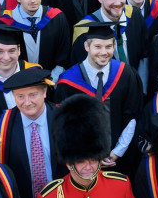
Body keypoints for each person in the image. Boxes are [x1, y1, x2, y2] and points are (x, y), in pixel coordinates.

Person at [55, 22, 144, 172]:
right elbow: (67, 127)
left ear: (114, 46)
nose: (104, 52)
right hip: (83, 161)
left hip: (119, 160)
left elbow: (132, 116)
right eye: (98, 47)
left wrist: (117, 152)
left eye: (108, 46)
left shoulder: (126, 74)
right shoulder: (68, 82)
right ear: (86, 47)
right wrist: (91, 156)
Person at [0, 67, 61, 198]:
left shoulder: (65, 117)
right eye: (20, 96)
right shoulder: (1, 125)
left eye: (33, 95)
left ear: (45, 92)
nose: (27, 102)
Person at [0, 0, 71, 78]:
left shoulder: (57, 18)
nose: (33, 0)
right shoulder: (5, 24)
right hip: (19, 81)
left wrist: (53, 79)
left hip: (52, 81)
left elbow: (64, 54)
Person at [71, 0, 149, 71]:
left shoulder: (134, 15)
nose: (117, 3)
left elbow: (144, 55)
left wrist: (140, 84)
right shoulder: (84, 29)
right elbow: (84, 70)